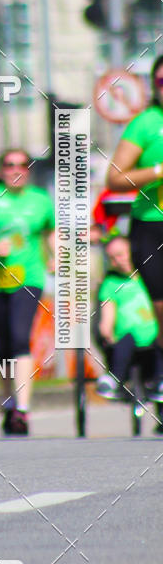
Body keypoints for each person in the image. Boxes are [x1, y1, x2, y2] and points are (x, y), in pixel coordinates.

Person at [0, 149, 55, 435]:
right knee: (3, 344)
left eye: (22, 165)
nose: (15, 169)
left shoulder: (40, 200)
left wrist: (56, 255)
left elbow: (51, 231)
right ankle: (8, 403)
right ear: (1, 169)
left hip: (27, 278)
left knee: (21, 338)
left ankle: (22, 409)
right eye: (9, 164)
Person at [107, 56, 163, 367]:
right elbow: (115, 178)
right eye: (160, 82)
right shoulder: (146, 124)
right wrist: (157, 170)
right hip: (152, 226)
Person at [95, 231, 163, 400]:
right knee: (125, 341)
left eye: (121, 255)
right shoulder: (111, 284)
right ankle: (114, 379)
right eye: (112, 258)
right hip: (127, 338)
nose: (118, 261)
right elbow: (107, 317)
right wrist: (106, 332)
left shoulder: (151, 277)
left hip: (155, 335)